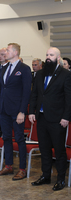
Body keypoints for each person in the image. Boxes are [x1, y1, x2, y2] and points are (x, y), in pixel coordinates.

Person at [29, 47, 71, 191]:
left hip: (58, 119)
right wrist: (31, 112)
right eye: (47, 54)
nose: (48, 57)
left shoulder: (65, 75)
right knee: (44, 149)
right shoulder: (40, 73)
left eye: (51, 55)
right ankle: (45, 176)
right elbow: (34, 94)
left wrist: (66, 117)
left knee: (59, 151)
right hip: (41, 118)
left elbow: (69, 98)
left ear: (58, 57)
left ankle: (60, 179)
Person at [0, 43, 32, 180]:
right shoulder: (4, 68)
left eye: (8, 50)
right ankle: (8, 166)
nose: (5, 52)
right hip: (3, 110)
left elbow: (27, 92)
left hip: (17, 111)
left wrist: (22, 111)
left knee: (20, 139)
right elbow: (0, 90)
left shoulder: (24, 69)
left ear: (15, 52)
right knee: (6, 138)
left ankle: (22, 169)